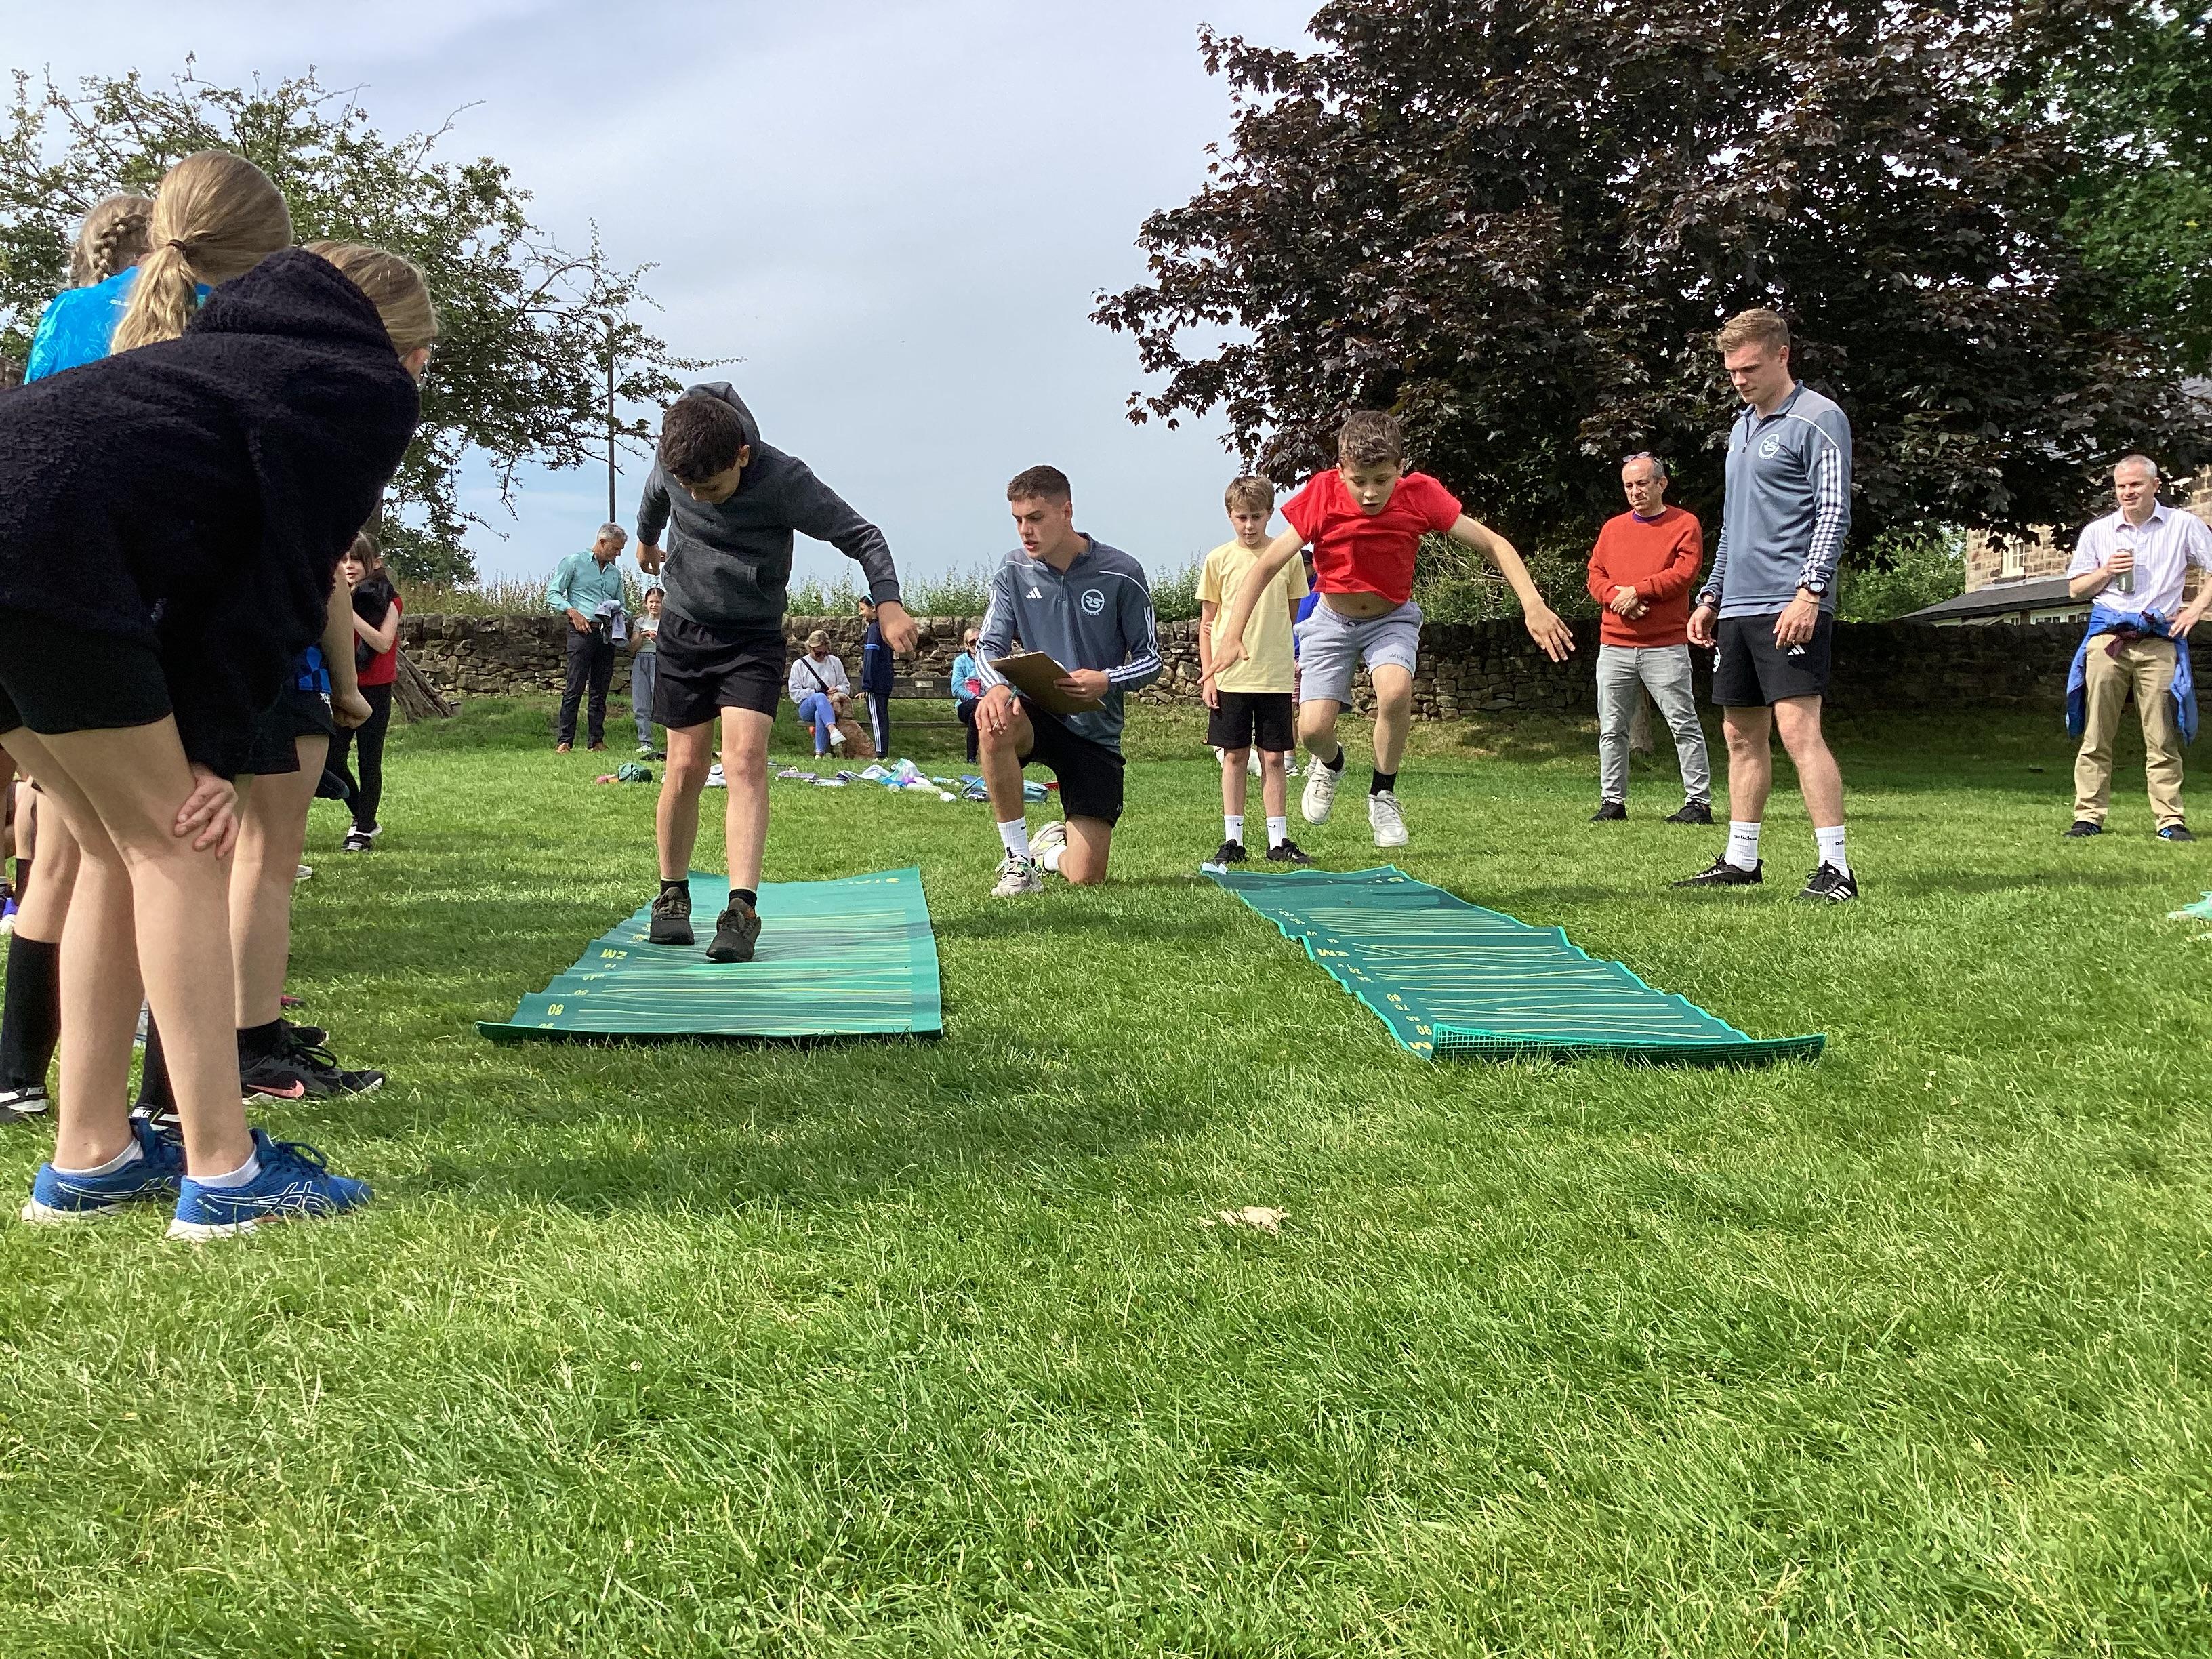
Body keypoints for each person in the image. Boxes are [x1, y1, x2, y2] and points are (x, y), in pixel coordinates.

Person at [0, 237, 430, 1236]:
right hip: (46, 549)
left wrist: (200, 734)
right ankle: (227, 1175)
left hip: (30, 530)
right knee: (180, 845)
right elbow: (283, 580)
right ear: (401, 346)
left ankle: (90, 1155)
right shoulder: (361, 387)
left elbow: (199, 575)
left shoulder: (214, 360)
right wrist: (215, 752)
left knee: (109, 848)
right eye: (423, 358)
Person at [634, 382, 915, 961]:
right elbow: (658, 493)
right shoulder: (677, 457)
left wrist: (887, 601)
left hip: (750, 635)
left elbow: (863, 536)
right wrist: (645, 539)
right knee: (684, 766)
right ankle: (672, 894)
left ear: (741, 455)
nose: (699, 498)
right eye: (691, 488)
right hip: (684, 629)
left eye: (711, 488)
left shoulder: (784, 479)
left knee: (744, 761)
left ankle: (741, 910)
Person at [1208, 411, 1575, 848]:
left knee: (1396, 691)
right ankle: (1331, 764)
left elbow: (1494, 543)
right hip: (1331, 619)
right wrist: (1232, 634)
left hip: (1391, 618)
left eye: (1382, 480)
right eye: (1359, 480)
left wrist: (1533, 604)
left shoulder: (1421, 495)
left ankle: (1382, 793)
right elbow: (1265, 566)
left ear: (1400, 468)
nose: (1370, 493)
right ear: (1340, 470)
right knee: (1312, 731)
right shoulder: (1322, 494)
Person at [1674, 308, 1858, 901]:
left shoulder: (1819, 418)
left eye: (1749, 368)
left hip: (1790, 602)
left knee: (1799, 731)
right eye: (1731, 371)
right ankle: (1741, 858)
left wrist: (1810, 592)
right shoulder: (1741, 429)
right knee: (1739, 734)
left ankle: (1836, 869)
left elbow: (1833, 512)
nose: (1740, 380)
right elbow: (1734, 524)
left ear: (1783, 355)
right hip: (1738, 607)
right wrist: (1711, 595)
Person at [972, 465, 1162, 897]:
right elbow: (987, 646)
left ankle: (1046, 853)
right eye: (1018, 519)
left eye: (1036, 518)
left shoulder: (1122, 572)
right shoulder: (1012, 570)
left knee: (1086, 876)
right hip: (1037, 713)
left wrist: (1107, 680)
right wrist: (996, 685)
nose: (1025, 530)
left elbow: (1152, 660)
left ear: (1067, 512)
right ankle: (1018, 861)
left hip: (1096, 733)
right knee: (994, 721)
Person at [2063, 455, 2212, 840]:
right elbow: (2076, 589)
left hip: (2159, 640)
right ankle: (2088, 817)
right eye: (2121, 486)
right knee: (2097, 732)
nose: (2127, 492)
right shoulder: (2098, 532)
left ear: (2155, 485)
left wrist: (2195, 609)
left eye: (2136, 484)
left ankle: (2170, 820)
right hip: (2108, 639)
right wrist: (2106, 571)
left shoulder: (2184, 525)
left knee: (2161, 735)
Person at [1586, 453, 1713, 823]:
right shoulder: (1613, 529)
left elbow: (1684, 573)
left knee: (1683, 723)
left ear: (1661, 484)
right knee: (1612, 728)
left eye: (1642, 483)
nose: (1635, 491)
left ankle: (1698, 803)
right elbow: (1595, 575)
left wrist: (1637, 591)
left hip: (1665, 645)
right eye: (1628, 485)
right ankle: (1612, 802)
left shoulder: (1684, 524)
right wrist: (1618, 598)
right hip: (1615, 644)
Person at [1199, 475, 1312, 865]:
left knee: (1275, 758)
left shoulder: (1288, 557)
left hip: (1275, 676)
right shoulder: (1218, 560)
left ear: (1270, 514)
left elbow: (1292, 614)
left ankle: (1278, 841)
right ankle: (1233, 840)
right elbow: (1207, 624)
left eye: (1257, 517)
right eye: (1242, 517)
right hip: (1230, 677)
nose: (1249, 526)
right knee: (1233, 756)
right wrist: (1209, 676)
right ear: (1230, 515)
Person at [325, 532, 401, 851]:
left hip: (375, 690)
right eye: (344, 559)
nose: (349, 566)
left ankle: (362, 831)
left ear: (376, 563)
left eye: (357, 560)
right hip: (342, 688)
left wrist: (349, 615)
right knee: (332, 759)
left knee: (369, 761)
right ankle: (363, 816)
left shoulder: (389, 600)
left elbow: (382, 643)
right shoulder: (330, 595)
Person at [548, 524, 628, 753]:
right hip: (581, 632)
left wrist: (620, 614)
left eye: (621, 550)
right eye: (616, 548)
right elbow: (553, 593)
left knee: (600, 689)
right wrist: (572, 612)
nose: (618, 554)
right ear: (602, 542)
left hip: (606, 634)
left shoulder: (615, 574)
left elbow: (622, 603)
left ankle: (596, 740)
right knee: (574, 686)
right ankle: (565, 741)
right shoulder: (573, 563)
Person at [788, 630, 853, 758]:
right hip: (807, 706)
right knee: (820, 697)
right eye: (818, 653)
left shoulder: (835, 662)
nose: (822, 656)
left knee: (820, 713)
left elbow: (846, 687)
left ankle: (820, 753)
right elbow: (794, 693)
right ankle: (833, 730)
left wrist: (837, 689)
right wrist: (814, 692)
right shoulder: (799, 665)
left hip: (830, 705)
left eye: (825, 653)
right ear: (810, 648)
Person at [859, 596, 895, 758]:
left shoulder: (874, 629)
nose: (861, 613)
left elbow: (871, 657)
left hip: (875, 683)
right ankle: (883, 751)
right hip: (885, 681)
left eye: (863, 609)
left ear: (873, 608)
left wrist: (867, 685)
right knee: (883, 717)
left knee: (877, 718)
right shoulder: (885, 627)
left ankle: (880, 754)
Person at [630, 584, 663, 754]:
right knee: (641, 702)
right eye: (651, 602)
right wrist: (642, 637)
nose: (654, 605)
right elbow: (633, 648)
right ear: (646, 603)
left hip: (661, 661)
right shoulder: (640, 622)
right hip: (642, 660)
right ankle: (645, 742)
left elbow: (673, 646)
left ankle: (673, 741)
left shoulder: (668, 622)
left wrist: (658, 640)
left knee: (664, 702)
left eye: (658, 602)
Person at [951, 627, 985, 762]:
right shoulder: (961, 662)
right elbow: (956, 689)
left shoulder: (989, 659)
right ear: (966, 645)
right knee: (976, 709)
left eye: (979, 640)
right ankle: (973, 757)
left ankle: (972, 758)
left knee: (975, 714)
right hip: (966, 705)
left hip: (984, 705)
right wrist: (976, 698)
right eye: (972, 642)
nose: (976, 644)